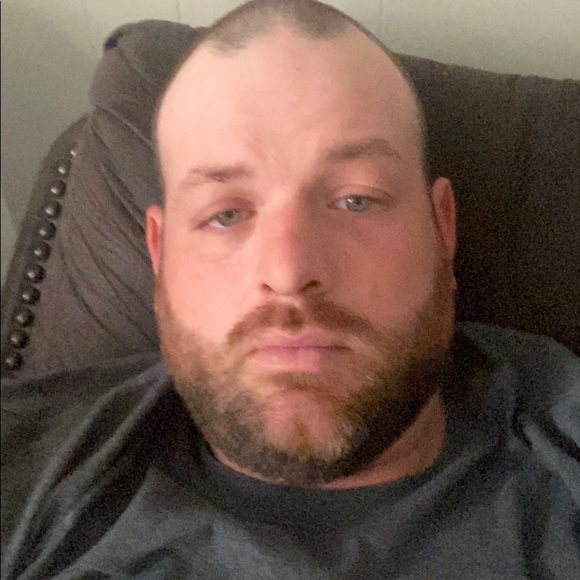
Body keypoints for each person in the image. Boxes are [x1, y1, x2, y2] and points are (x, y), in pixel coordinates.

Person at [2, 1, 578, 578]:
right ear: (160, 254)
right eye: (225, 214)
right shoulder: (27, 465)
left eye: (356, 200)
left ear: (442, 226)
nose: (288, 271)